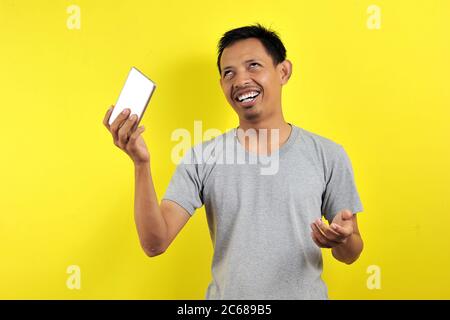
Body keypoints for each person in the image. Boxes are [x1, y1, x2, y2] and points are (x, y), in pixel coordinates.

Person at [103, 24, 364, 300]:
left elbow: (352, 252)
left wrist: (344, 239)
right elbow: (154, 243)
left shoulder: (328, 154)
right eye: (229, 73)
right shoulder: (201, 158)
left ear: (283, 71)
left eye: (253, 66)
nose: (240, 81)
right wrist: (140, 165)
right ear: (222, 86)